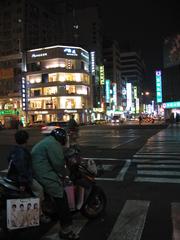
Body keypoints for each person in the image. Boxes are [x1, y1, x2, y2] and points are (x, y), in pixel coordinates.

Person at [31, 128, 79, 240]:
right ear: (61, 139)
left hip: (38, 171)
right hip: (43, 173)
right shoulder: (53, 144)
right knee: (61, 197)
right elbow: (58, 163)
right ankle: (66, 230)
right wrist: (66, 175)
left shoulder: (48, 141)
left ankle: (51, 212)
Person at [6, 130, 49, 223]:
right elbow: (22, 169)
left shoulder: (14, 149)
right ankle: (40, 213)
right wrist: (22, 183)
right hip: (19, 178)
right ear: (26, 140)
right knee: (39, 189)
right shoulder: (21, 152)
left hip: (11, 176)